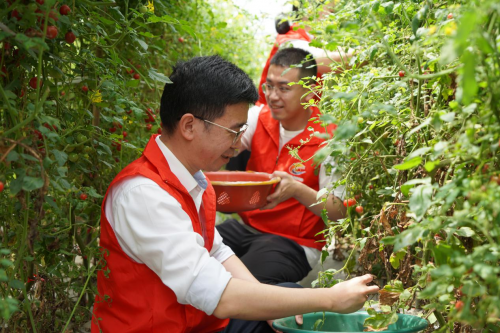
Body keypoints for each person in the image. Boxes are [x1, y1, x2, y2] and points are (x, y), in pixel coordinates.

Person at [91, 55, 378, 333]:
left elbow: (215, 249)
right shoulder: (144, 195)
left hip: (284, 247)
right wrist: (330, 298)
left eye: (242, 129)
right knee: (281, 306)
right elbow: (221, 296)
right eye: (233, 130)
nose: (239, 140)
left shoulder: (191, 178)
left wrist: (273, 306)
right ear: (189, 125)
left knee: (285, 302)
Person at [217, 48, 345, 285]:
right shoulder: (258, 118)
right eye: (269, 86)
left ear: (310, 91)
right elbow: (221, 150)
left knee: (242, 288)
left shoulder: (331, 139)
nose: (273, 96)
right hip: (247, 228)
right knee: (192, 251)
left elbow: (338, 212)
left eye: (284, 88)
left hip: (294, 243)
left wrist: (296, 190)